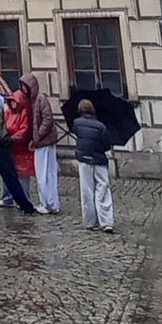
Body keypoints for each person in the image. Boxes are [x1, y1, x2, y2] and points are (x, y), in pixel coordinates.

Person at [0, 92, 37, 214]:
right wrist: (8, 141)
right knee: (12, 180)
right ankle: (26, 206)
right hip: (1, 151)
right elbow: (1, 135)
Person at [73, 97, 116, 233]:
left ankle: (90, 221)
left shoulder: (76, 123)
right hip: (99, 160)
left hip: (83, 160)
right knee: (102, 189)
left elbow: (77, 135)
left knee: (86, 190)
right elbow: (106, 145)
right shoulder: (101, 126)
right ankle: (107, 222)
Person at [24, 73, 62, 215]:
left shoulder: (40, 99)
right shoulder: (34, 100)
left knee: (44, 173)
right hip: (43, 141)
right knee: (48, 173)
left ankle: (48, 203)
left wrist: (37, 137)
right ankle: (50, 203)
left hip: (44, 142)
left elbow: (47, 119)